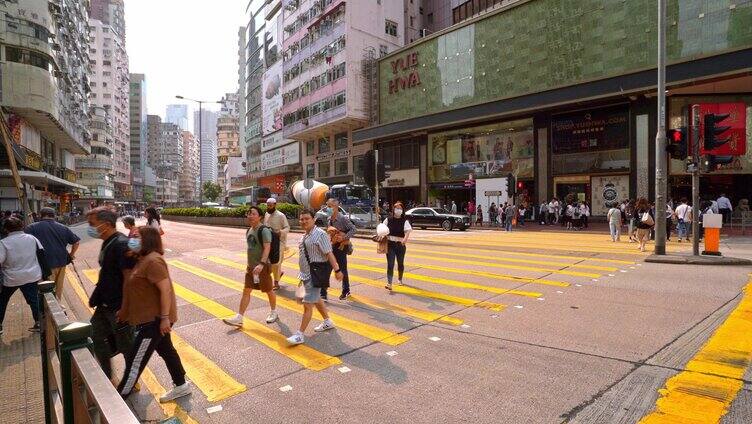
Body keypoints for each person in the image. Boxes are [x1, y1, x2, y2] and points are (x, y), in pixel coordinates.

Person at [116, 226, 190, 402]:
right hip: (149, 319)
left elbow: (166, 291)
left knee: (135, 362)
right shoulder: (141, 259)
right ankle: (181, 385)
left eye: (136, 237)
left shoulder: (153, 261)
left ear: (147, 240)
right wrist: (125, 311)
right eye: (131, 236)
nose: (131, 240)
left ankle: (116, 403)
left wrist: (164, 318)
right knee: (166, 350)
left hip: (154, 321)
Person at [86, 207, 136, 380]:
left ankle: (131, 380)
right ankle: (107, 377)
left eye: (92, 224)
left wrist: (126, 308)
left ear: (106, 224)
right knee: (94, 337)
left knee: (127, 346)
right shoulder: (108, 242)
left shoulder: (121, 244)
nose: (90, 228)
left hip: (118, 307)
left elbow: (129, 279)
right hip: (104, 304)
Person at [286, 209, 343, 346]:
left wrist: (337, 270)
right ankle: (327, 321)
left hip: (314, 274)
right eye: (302, 219)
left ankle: (300, 335)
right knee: (315, 299)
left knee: (307, 305)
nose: (304, 221)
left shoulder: (320, 234)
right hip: (305, 274)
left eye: (307, 219)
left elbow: (329, 253)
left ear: (313, 219)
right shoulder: (305, 235)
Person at [224, 206, 278, 327]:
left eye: (253, 214)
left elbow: (267, 248)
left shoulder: (263, 230)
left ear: (260, 217)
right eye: (249, 213)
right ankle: (239, 317)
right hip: (251, 268)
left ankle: (274, 312)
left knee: (269, 290)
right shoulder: (249, 230)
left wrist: (262, 264)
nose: (250, 216)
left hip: (262, 267)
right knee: (246, 290)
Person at [0, 217, 47, 334]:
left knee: (2, 300)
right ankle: (39, 323)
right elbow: (42, 255)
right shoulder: (32, 239)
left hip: (11, 278)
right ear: (22, 226)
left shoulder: (3, 243)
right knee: (34, 300)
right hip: (32, 276)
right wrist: (44, 275)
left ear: (6, 229)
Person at [25, 207, 80, 300]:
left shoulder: (32, 227)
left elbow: (25, 245)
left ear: (40, 215)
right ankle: (58, 306)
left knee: (47, 289)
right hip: (62, 262)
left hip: (44, 264)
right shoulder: (63, 227)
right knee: (58, 286)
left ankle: (48, 311)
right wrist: (71, 255)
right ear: (54, 216)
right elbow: (76, 242)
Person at [322, 198, 355, 301]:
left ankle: (346, 291)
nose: (327, 208)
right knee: (327, 268)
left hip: (341, 247)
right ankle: (323, 292)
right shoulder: (328, 219)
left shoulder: (342, 218)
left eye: (330, 206)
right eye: (327, 206)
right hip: (332, 245)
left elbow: (354, 229)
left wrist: (343, 238)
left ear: (336, 207)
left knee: (342, 268)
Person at [383, 202, 412, 290]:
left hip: (400, 245)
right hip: (390, 244)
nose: (398, 210)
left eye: (400, 208)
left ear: (402, 210)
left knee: (400, 263)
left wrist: (405, 239)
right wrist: (382, 235)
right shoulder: (388, 220)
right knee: (390, 264)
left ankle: (400, 279)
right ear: (393, 209)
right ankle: (389, 283)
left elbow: (407, 231)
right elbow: (382, 229)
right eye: (396, 208)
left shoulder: (405, 221)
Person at [263, 198, 290, 291]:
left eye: (270, 205)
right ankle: (278, 274)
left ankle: (276, 283)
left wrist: (280, 232)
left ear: (275, 205)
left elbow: (287, 228)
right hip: (269, 240)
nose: (268, 207)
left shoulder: (281, 215)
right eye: (267, 205)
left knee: (276, 263)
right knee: (269, 261)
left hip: (279, 242)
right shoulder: (266, 214)